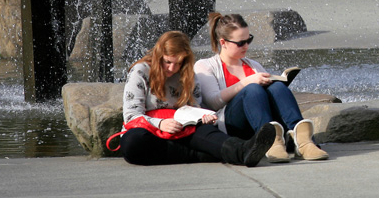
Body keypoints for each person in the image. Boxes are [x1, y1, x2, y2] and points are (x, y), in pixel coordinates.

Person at [118, 30, 278, 166]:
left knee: (206, 131)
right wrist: (161, 123)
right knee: (132, 143)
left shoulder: (188, 75)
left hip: (181, 129)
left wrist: (203, 117)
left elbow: (194, 108)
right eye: (167, 62)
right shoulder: (141, 71)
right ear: (159, 55)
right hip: (150, 130)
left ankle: (242, 150)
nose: (172, 68)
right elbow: (131, 116)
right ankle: (202, 155)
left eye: (178, 63)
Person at [195, 12, 329, 162]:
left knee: (277, 87)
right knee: (252, 89)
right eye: (240, 43)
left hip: (259, 120)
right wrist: (246, 82)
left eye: (249, 40)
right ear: (223, 42)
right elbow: (214, 101)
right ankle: (270, 141)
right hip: (230, 124)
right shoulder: (205, 66)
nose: (246, 46)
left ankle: (303, 140)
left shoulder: (253, 65)